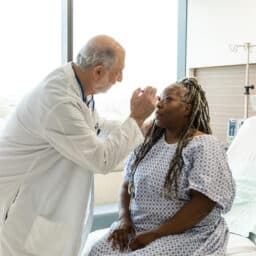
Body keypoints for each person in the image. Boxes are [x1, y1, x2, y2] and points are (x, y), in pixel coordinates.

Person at [0, 35, 157, 256]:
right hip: (22, 210)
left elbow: (96, 126)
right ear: (99, 71)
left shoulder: (77, 88)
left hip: (44, 204)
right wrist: (136, 118)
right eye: (118, 72)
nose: (120, 79)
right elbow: (100, 160)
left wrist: (139, 128)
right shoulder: (59, 100)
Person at [88, 78, 235, 256]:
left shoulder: (203, 145)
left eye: (168, 99)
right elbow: (127, 186)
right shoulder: (146, 146)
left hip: (187, 234)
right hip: (139, 229)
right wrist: (124, 221)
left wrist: (156, 234)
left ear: (187, 108)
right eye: (159, 99)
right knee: (97, 251)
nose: (158, 105)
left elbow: (203, 203)